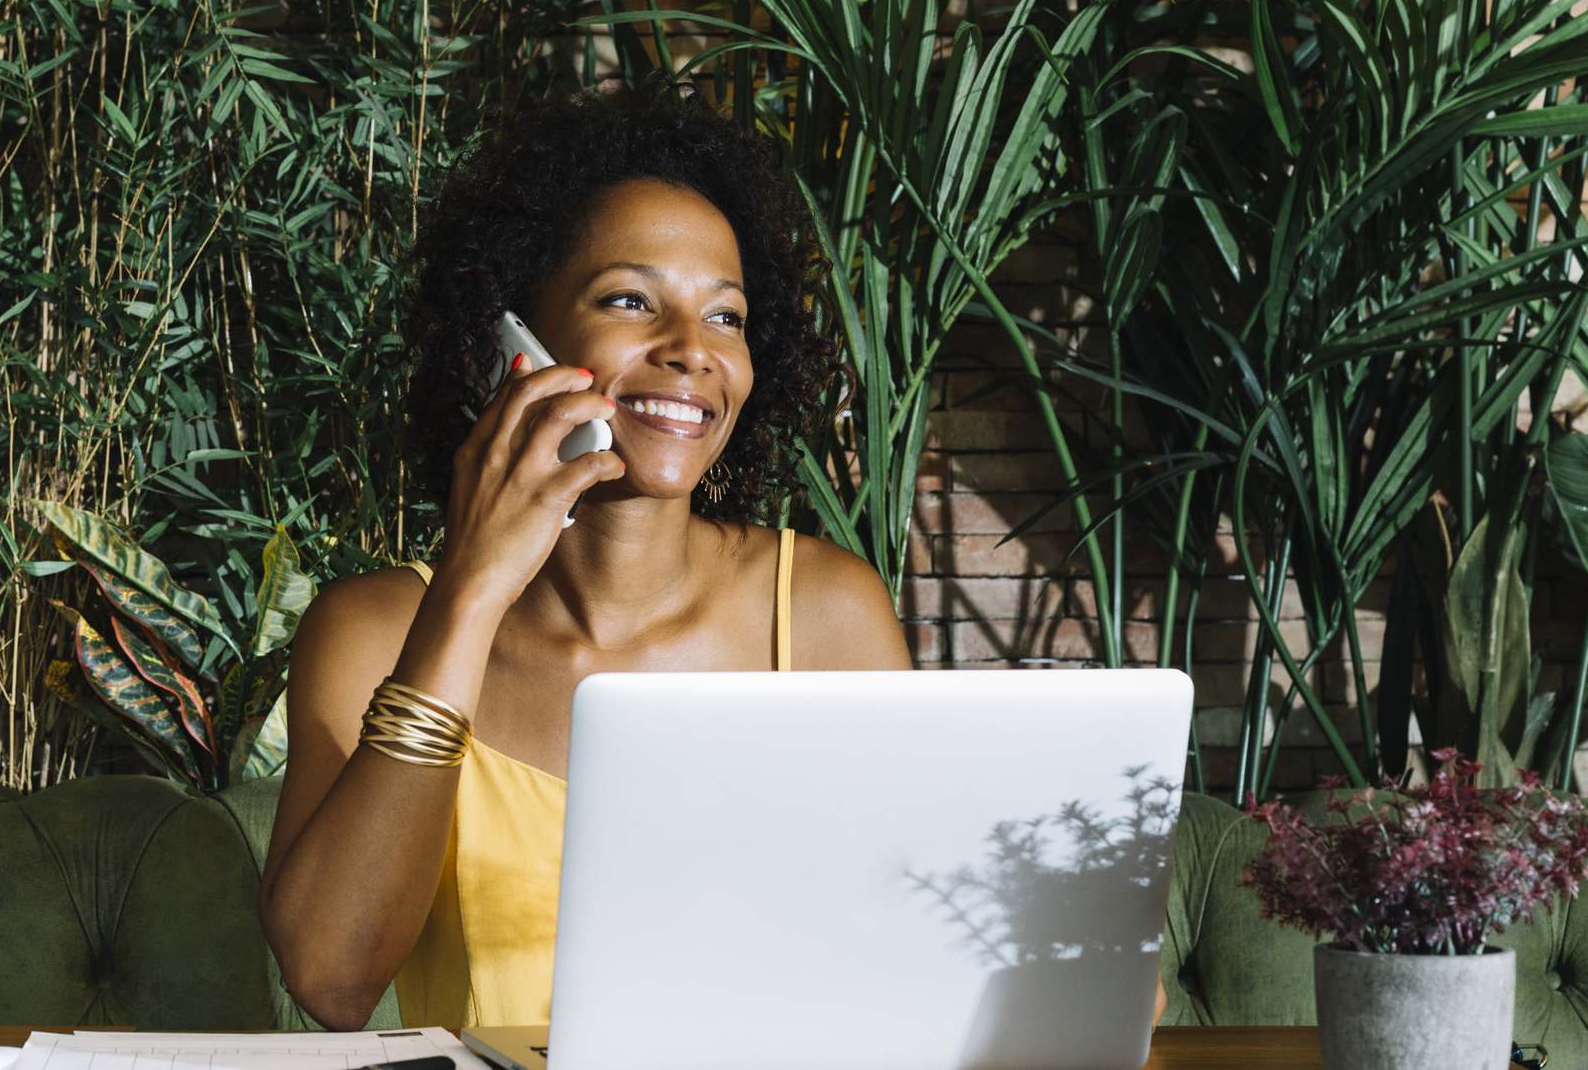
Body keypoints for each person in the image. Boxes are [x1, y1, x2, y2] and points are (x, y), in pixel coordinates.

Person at [257, 76, 1161, 1037]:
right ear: (512, 339)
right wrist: (474, 591)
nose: (693, 350)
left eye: (725, 317)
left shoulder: (820, 611)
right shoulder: (375, 629)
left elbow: (916, 945)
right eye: (630, 300)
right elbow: (332, 979)